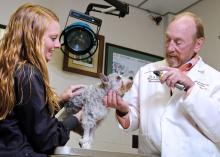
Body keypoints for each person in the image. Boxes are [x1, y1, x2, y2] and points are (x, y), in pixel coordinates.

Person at [104, 12, 220, 157]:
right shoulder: (146, 72)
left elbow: (218, 131)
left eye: (178, 42)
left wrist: (191, 88)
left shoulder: (215, 79)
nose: (170, 48)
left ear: (198, 44)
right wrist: (123, 111)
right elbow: (132, 121)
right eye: (168, 40)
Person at [0, 3, 85, 157]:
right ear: (32, 38)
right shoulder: (28, 74)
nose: (58, 45)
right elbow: (48, 139)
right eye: (53, 38)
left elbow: (25, 117)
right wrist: (75, 118)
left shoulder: (9, 69)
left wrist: (60, 101)